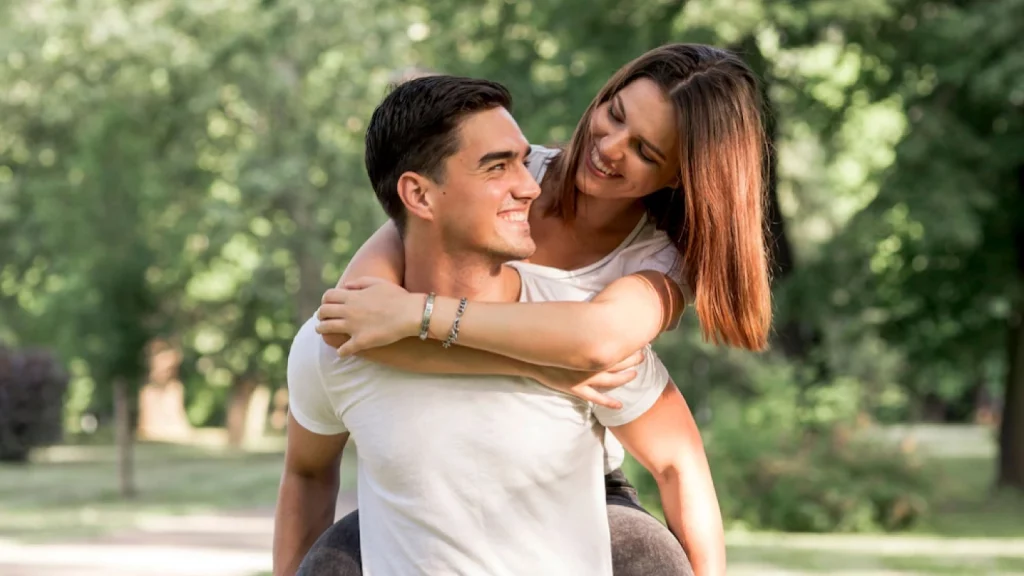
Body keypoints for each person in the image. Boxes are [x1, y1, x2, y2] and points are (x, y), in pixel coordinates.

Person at [314, 43, 771, 576]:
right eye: (615, 115)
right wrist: (544, 368)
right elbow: (357, 322)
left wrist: (420, 316)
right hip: (433, 465)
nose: (611, 147)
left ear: (678, 175)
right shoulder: (499, 175)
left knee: (646, 558)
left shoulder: (657, 261)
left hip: (573, 477)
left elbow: (596, 341)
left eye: (646, 151)